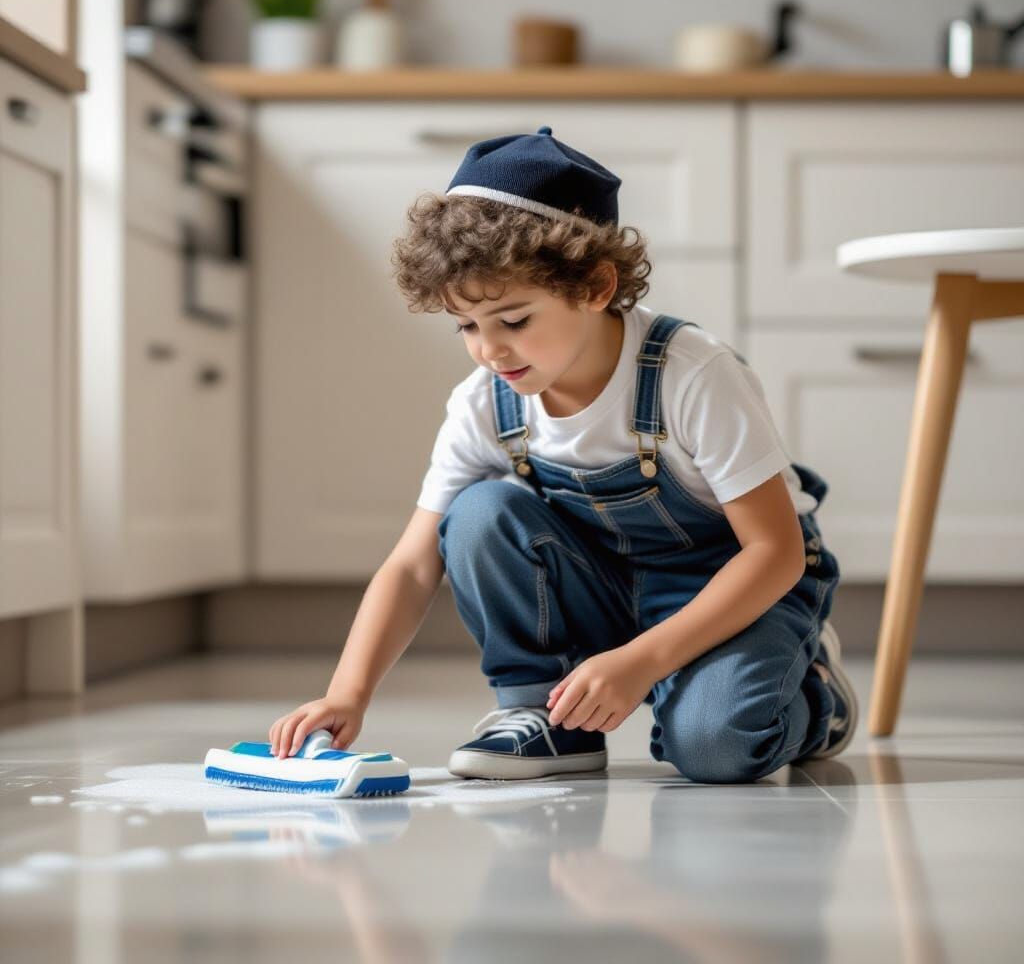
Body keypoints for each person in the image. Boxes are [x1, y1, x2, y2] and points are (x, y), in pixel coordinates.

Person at [268, 126, 857, 783]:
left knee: (716, 749)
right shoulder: (487, 402)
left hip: (731, 590)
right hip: (599, 587)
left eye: (514, 321)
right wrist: (348, 692)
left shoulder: (691, 374)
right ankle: (542, 718)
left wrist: (642, 662)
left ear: (596, 287)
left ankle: (813, 696)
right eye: (467, 325)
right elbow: (411, 565)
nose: (490, 350)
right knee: (480, 512)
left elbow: (772, 554)